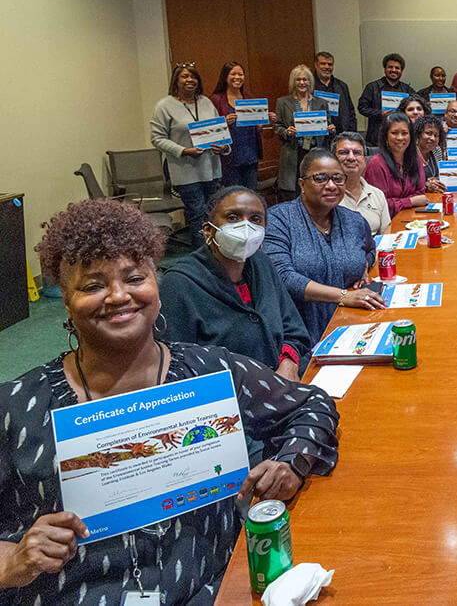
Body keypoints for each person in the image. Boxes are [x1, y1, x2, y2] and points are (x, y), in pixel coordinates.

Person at [0, 199, 339, 604]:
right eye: (92, 285)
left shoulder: (211, 372)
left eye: (134, 278)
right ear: (67, 304)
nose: (118, 296)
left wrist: (291, 464)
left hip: (209, 588)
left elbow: (311, 404)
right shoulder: (17, 407)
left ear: (157, 287)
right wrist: (11, 561)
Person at [159, 185, 310, 380]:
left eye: (255, 219)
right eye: (233, 217)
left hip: (281, 384)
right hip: (226, 401)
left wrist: (288, 365)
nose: (245, 227)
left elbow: (294, 329)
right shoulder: (179, 284)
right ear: (208, 230)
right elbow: (175, 367)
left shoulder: (262, 264)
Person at [264, 148, 385, 344]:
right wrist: (344, 296)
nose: (331, 186)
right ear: (302, 183)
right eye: (320, 178)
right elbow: (282, 276)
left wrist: (364, 264)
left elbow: (370, 249)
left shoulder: (353, 220)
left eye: (338, 179)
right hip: (298, 335)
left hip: (353, 325)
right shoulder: (279, 219)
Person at [150, 63, 226, 245]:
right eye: (185, 76)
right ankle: (202, 256)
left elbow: (220, 133)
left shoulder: (206, 102)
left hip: (211, 170)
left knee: (213, 212)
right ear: (176, 80)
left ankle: (216, 250)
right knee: (197, 213)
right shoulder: (164, 106)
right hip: (186, 172)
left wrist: (223, 147)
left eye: (193, 77)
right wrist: (183, 151)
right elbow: (157, 138)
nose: (190, 80)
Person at [274, 65, 336, 202]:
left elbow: (328, 127)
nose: (302, 83)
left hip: (315, 152)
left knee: (315, 187)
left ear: (310, 82)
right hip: (293, 152)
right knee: (294, 191)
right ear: (293, 82)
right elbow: (277, 126)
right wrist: (286, 131)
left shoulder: (321, 103)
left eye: (305, 79)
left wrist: (331, 129)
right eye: (298, 80)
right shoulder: (283, 102)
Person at [209, 61, 274, 190]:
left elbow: (255, 128)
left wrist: (264, 122)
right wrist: (224, 123)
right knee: (233, 194)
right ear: (225, 77)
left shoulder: (249, 97)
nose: (237, 77)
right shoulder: (216, 99)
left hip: (250, 154)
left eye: (241, 74)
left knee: (251, 193)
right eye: (233, 74)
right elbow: (212, 129)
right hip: (230, 157)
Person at [364, 112, 429, 216]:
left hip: (411, 218)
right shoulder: (376, 164)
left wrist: (398, 202)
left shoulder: (416, 159)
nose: (400, 138)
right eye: (394, 133)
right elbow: (378, 205)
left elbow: (420, 194)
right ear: (385, 136)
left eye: (404, 133)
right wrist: (410, 202)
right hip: (386, 223)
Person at [335, 132, 392, 237]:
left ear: (365, 160)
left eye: (357, 153)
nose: (351, 157)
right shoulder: (326, 195)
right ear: (333, 159)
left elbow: (386, 235)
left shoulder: (377, 194)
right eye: (344, 152)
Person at [358, 53, 415, 145]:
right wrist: (379, 113)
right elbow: (362, 108)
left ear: (401, 70)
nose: (393, 70)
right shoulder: (372, 87)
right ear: (384, 69)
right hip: (376, 137)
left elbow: (415, 108)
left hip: (400, 138)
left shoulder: (407, 90)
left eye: (397, 68)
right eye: (390, 67)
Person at [314, 51, 357, 135]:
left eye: (330, 64)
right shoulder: (309, 86)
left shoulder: (342, 86)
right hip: (318, 136)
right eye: (323, 64)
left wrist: (351, 134)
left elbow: (351, 112)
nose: (327, 67)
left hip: (340, 134)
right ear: (316, 65)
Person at [414, 115, 448, 193]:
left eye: (436, 136)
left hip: (435, 197)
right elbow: (407, 183)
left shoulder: (437, 150)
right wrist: (425, 185)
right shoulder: (410, 153)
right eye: (428, 133)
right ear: (418, 134)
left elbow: (442, 175)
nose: (432, 138)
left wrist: (436, 181)